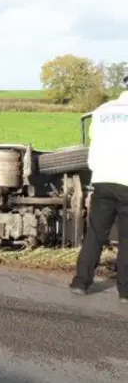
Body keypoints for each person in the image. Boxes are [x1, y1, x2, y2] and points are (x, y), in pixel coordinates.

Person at [70, 74, 128, 303]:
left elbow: (93, 140)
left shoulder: (103, 110)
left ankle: (81, 282)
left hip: (102, 178)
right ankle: (125, 291)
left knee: (95, 233)